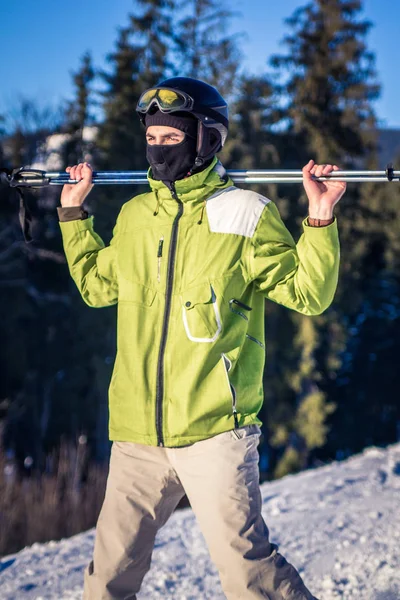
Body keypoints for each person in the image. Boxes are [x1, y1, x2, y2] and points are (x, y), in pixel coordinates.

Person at [58, 77, 346, 600]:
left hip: (215, 432)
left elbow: (307, 294)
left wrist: (320, 217)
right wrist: (75, 215)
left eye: (172, 137)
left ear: (207, 139)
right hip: (137, 436)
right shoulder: (135, 216)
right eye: (153, 137)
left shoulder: (246, 213)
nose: (158, 147)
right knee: (106, 579)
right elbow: (98, 287)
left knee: (248, 574)